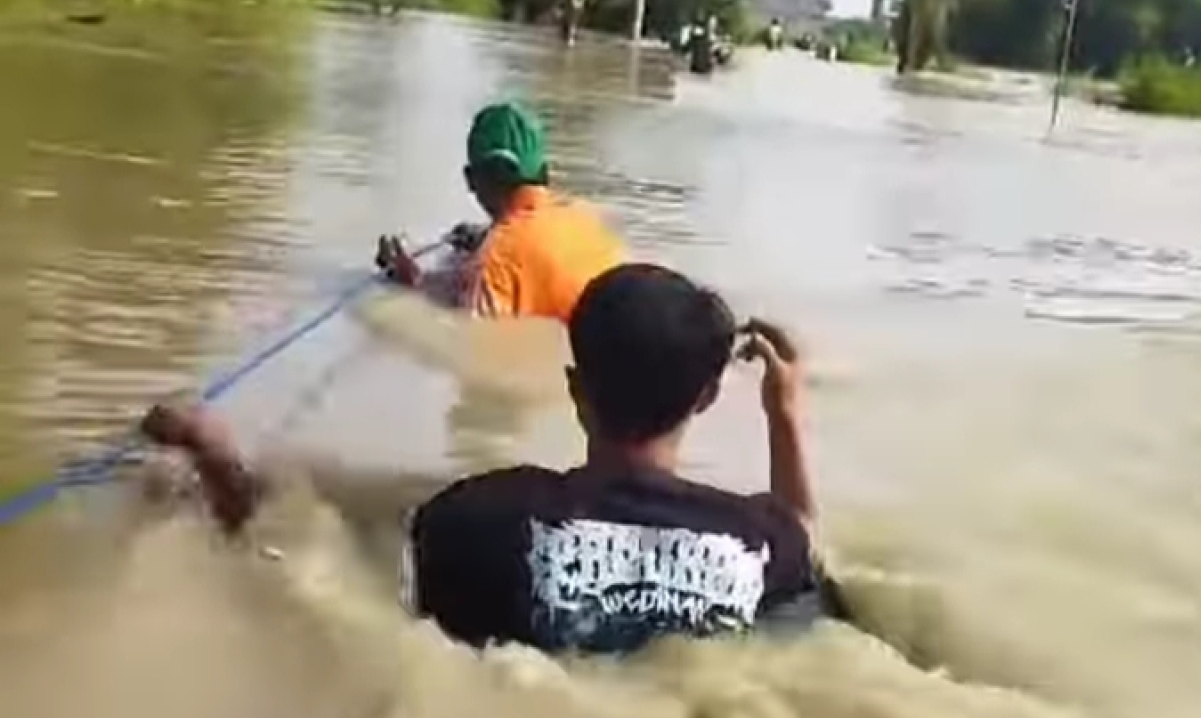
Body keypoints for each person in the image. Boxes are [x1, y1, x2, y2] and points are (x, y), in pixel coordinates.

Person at [141, 264, 835, 657]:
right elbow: (807, 537)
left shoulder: (476, 518)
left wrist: (210, 448)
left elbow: (289, 557)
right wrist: (784, 411)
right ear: (709, 397)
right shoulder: (760, 543)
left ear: (574, 390)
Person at [376, 100, 625, 323]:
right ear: (545, 172)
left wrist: (406, 286)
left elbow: (470, 346)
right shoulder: (591, 219)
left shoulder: (497, 259)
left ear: (472, 180)